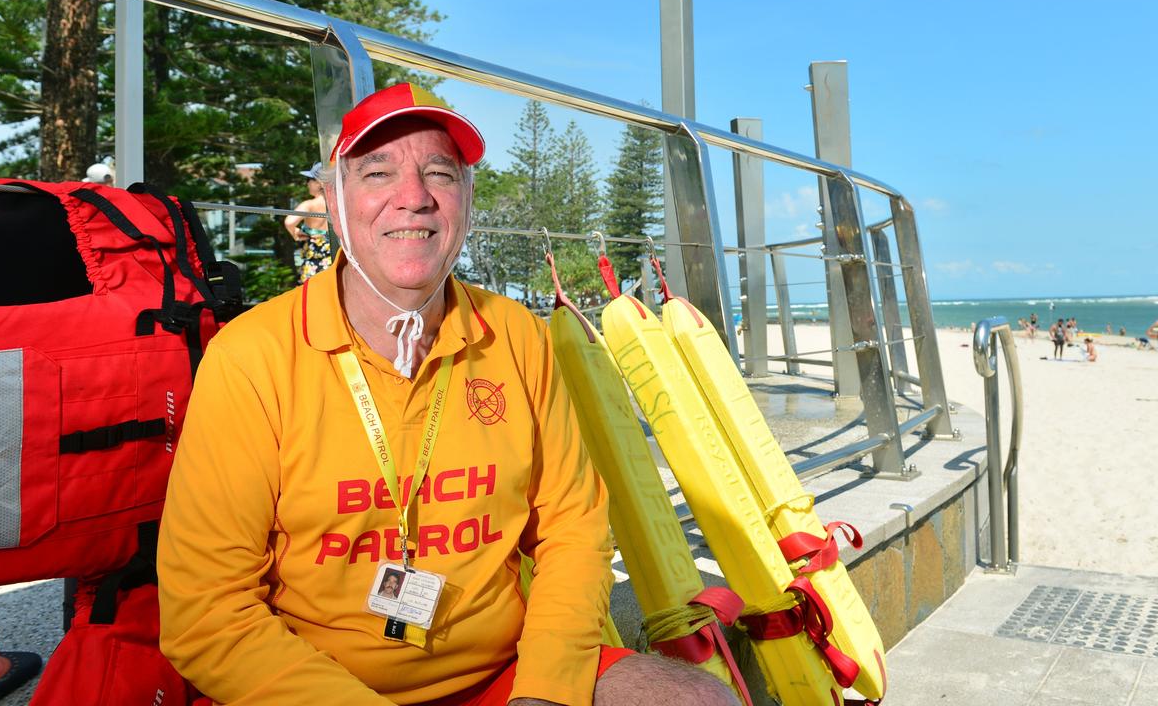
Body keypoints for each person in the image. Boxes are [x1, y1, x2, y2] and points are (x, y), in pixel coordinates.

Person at [156, 83, 736, 706]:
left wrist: (543, 691)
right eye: (378, 172)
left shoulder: (517, 334)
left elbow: (572, 526)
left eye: (440, 173)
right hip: (316, 684)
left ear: (468, 200)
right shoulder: (252, 356)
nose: (414, 199)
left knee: (698, 699)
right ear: (333, 201)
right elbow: (206, 612)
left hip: (504, 674)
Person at [284, 163, 334, 283]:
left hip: (314, 262)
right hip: (335, 261)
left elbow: (289, 222)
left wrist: (296, 233)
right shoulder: (338, 205)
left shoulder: (309, 205)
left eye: (309, 179)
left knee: (310, 298)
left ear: (320, 182)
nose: (307, 183)